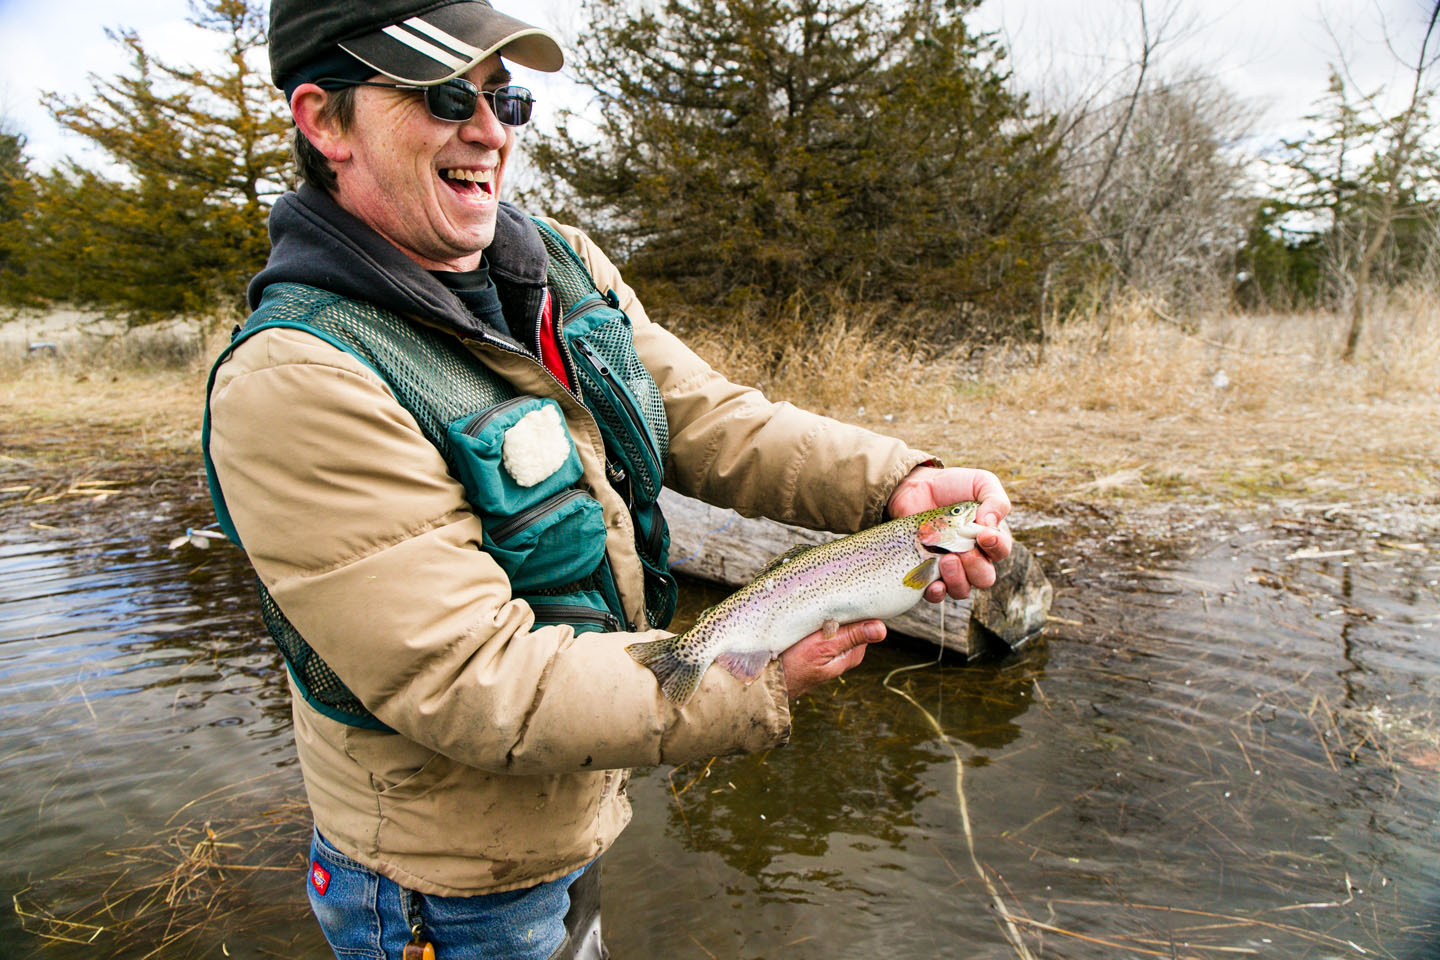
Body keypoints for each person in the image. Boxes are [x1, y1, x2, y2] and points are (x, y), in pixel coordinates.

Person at [202, 1, 1014, 957]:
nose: (489, 128)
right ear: (323, 120)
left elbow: (702, 414)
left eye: (507, 97)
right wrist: (741, 680)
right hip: (448, 889)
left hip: (577, 804)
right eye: (444, 93)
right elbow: (472, 678)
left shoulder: (560, 266)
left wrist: (893, 484)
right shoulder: (296, 381)